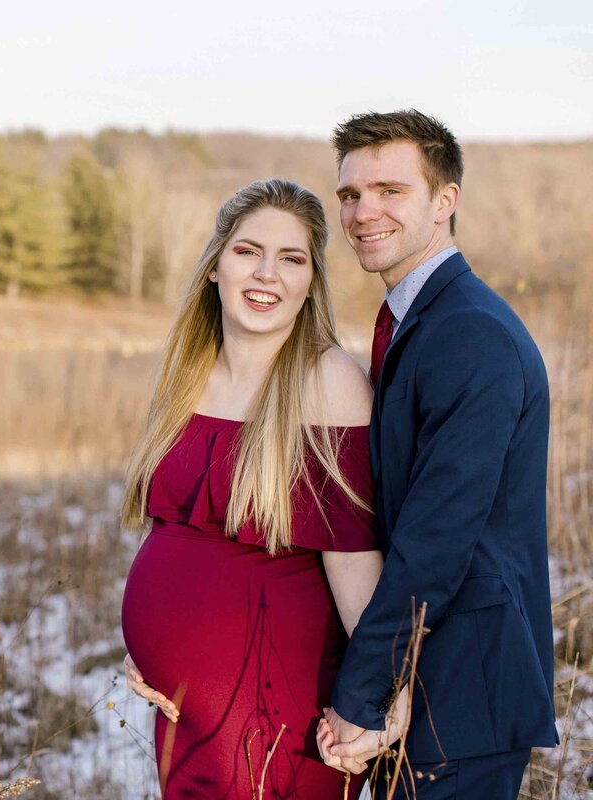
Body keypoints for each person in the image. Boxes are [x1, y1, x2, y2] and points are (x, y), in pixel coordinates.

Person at [316, 110, 557, 798]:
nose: (364, 212)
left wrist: (363, 693)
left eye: (390, 191)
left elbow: (437, 537)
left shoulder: (468, 333)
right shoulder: (419, 320)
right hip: (426, 687)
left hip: (464, 695)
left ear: (444, 201)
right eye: (351, 195)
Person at [119, 178, 383, 798]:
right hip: (182, 715)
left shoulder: (328, 382)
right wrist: (153, 646)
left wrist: (377, 704)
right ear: (215, 265)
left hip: (277, 717)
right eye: (247, 252)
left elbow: (355, 566)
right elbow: (176, 533)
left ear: (310, 283)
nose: (266, 274)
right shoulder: (188, 373)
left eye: (291, 259)